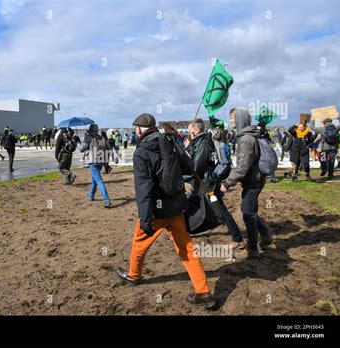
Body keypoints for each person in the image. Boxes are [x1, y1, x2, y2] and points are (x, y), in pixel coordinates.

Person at [115, 113, 217, 310]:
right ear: (153, 127)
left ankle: (134, 276)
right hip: (177, 207)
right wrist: (180, 148)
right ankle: (203, 292)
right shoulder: (169, 141)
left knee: (139, 244)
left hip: (156, 211)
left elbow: (142, 188)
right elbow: (189, 168)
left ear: (138, 130)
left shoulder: (141, 151)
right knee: (187, 249)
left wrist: (145, 218)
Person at [220, 108, 273, 259]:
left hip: (253, 181)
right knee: (250, 211)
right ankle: (266, 236)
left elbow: (243, 167)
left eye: (232, 118)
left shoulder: (246, 139)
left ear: (240, 119)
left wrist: (227, 183)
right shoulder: (246, 136)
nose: (231, 121)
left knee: (248, 213)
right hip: (253, 180)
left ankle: (252, 248)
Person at [186, 119, 245, 250]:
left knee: (221, 211)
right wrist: (189, 146)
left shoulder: (203, 145)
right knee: (189, 205)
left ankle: (238, 239)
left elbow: (196, 167)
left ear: (196, 132)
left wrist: (182, 176)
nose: (188, 134)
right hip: (201, 184)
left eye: (190, 132)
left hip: (207, 185)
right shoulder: (200, 142)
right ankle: (183, 231)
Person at [79, 123, 112, 207]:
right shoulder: (101, 138)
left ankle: (106, 200)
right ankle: (91, 195)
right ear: (97, 130)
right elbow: (109, 148)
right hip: (101, 161)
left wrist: (80, 142)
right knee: (95, 179)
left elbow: (81, 149)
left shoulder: (89, 138)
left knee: (98, 180)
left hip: (92, 161)